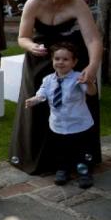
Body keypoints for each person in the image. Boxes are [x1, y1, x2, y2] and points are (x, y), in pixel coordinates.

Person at [9, 0, 102, 175]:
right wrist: (31, 46)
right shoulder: (34, 3)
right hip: (41, 54)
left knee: (78, 101)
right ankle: (43, 159)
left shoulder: (77, 2)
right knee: (38, 100)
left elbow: (93, 38)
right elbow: (23, 37)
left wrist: (92, 66)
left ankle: (80, 157)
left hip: (69, 55)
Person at [25, 42, 96, 188]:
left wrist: (89, 83)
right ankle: (63, 169)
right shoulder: (48, 80)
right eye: (57, 59)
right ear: (52, 61)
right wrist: (34, 100)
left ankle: (84, 172)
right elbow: (42, 94)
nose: (60, 62)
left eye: (65, 59)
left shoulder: (79, 77)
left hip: (79, 124)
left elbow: (91, 93)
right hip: (58, 124)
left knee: (81, 150)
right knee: (61, 150)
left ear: (74, 62)